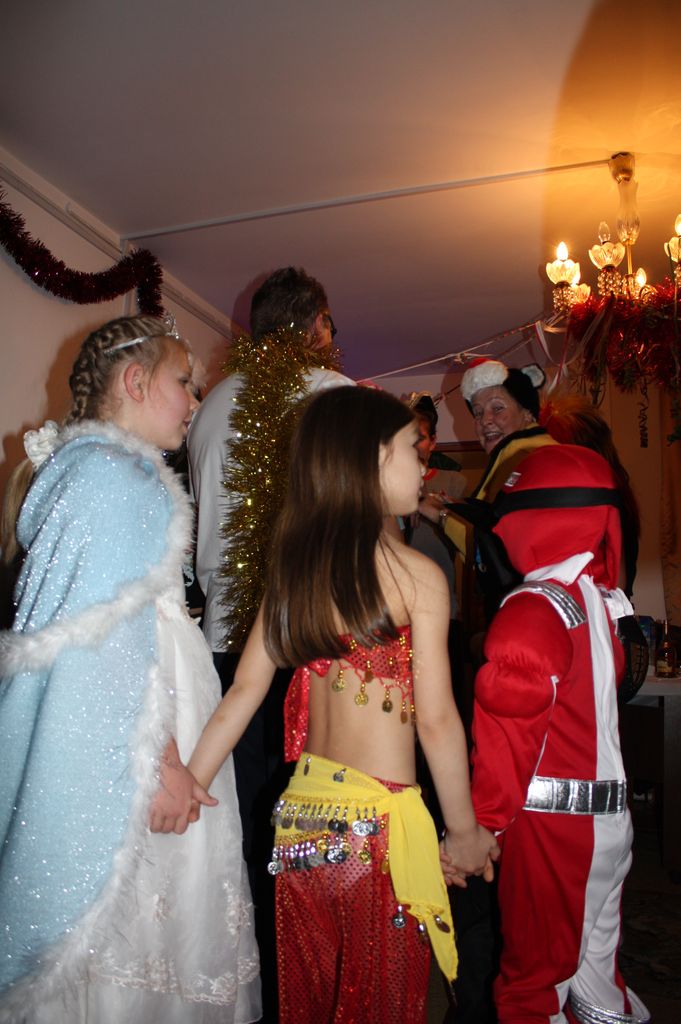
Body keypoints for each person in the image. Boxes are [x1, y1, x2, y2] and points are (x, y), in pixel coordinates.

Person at [180, 386, 499, 1024]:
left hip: (299, 829)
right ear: (374, 459)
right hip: (374, 834)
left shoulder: (294, 574)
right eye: (412, 449)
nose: (424, 465)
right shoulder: (416, 576)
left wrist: (192, 781)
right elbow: (437, 720)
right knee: (379, 1006)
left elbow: (244, 690)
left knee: (310, 1001)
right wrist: (463, 831)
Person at [0, 316, 260, 1023]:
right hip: (140, 729)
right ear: (135, 382)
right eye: (185, 383)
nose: (195, 401)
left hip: (143, 713)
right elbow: (106, 646)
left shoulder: (88, 471)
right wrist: (164, 763)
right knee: (136, 919)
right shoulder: (117, 477)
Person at [187, 265, 353, 1022]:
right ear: (316, 325)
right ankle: (310, 977)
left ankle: (255, 975)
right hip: (306, 637)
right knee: (314, 814)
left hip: (225, 636)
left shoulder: (211, 403)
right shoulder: (331, 393)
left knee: (250, 816)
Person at [465, 443, 650, 1023]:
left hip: (554, 831)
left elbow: (509, 731)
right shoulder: (599, 600)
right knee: (595, 978)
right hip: (607, 824)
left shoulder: (534, 607)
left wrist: (483, 823)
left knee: (533, 987)